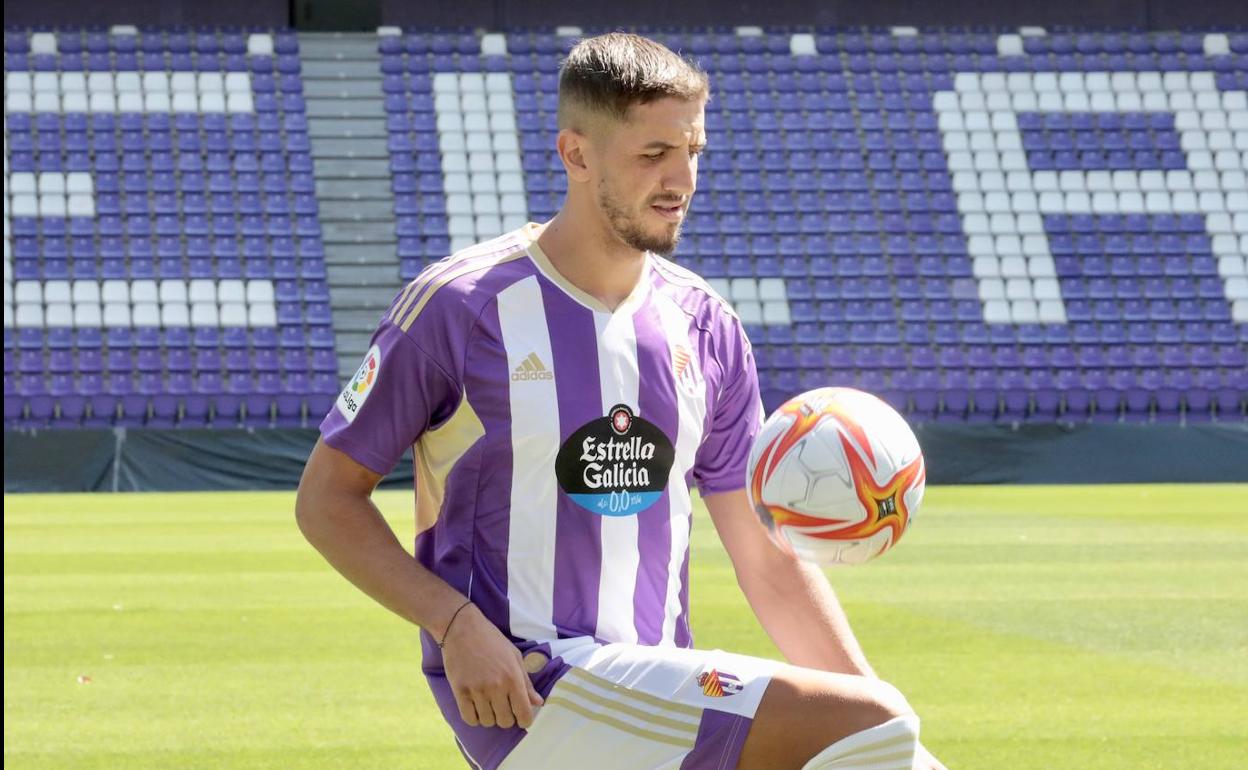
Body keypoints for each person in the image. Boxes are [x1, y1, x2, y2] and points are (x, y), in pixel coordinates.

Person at [296, 32, 947, 770]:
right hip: (529, 688)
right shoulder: (461, 307)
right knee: (876, 716)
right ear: (576, 155)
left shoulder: (707, 327)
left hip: (653, 689)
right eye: (653, 155)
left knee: (892, 737)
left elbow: (767, 561)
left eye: (693, 151)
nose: (682, 179)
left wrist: (893, 748)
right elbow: (327, 500)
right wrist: (453, 625)